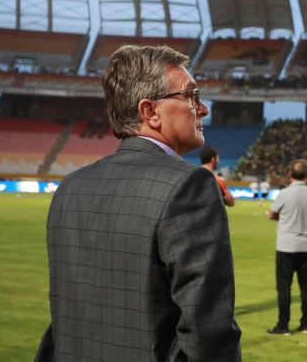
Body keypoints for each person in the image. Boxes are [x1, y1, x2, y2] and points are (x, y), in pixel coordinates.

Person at [36, 45, 241, 362]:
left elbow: (64, 320)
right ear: (150, 111)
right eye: (191, 96)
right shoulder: (190, 185)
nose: (202, 109)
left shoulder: (70, 187)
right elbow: (208, 334)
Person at [266, 160, 307, 336]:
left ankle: (283, 325)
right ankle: (305, 324)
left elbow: (271, 214)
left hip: (286, 246)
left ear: (289, 174)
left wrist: (282, 218)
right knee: (306, 287)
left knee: (284, 287)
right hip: (306, 245)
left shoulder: (284, 193)